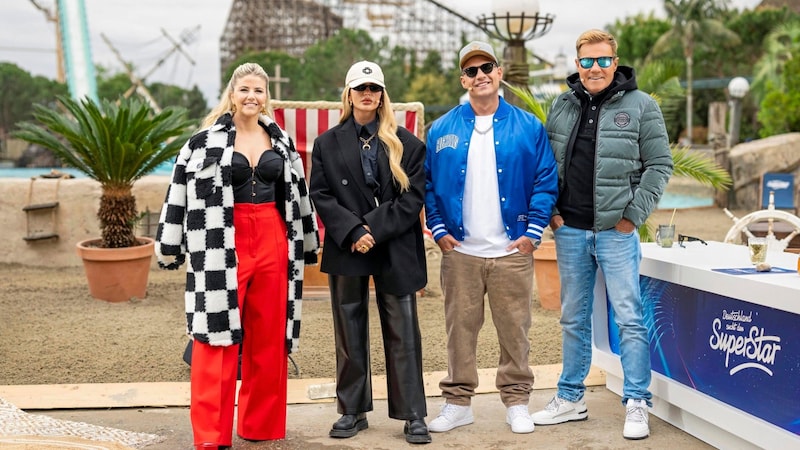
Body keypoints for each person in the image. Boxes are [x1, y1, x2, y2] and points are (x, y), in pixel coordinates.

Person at [155, 62, 320, 450]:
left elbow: (300, 195)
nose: (252, 97)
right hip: (219, 242)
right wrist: (170, 246)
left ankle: (260, 426)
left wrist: (309, 243)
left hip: (273, 238)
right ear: (232, 93)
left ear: (267, 98)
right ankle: (211, 437)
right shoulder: (202, 142)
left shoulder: (280, 142)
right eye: (245, 89)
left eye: (259, 91)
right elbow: (176, 193)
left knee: (269, 338)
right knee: (216, 338)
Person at [530, 29, 673, 440]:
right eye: (587, 61)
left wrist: (632, 216)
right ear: (577, 64)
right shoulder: (562, 105)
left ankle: (637, 402)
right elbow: (545, 164)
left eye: (602, 60)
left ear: (615, 62)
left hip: (616, 232)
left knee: (629, 318)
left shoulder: (642, 106)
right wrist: (554, 215)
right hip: (570, 231)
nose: (595, 68)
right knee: (573, 318)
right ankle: (571, 398)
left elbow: (660, 165)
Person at [424, 41, 559, 435]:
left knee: (515, 330)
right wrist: (440, 229)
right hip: (461, 252)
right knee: (459, 331)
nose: (480, 75)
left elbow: (545, 181)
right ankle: (457, 402)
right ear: (463, 79)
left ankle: (517, 401)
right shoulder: (442, 128)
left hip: (511, 250)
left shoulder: (528, 126)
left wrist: (533, 232)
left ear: (499, 73)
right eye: (471, 70)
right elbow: (428, 185)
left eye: (487, 67)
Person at [309, 60, 431, 445]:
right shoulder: (326, 143)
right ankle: (352, 409)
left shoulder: (409, 145)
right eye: (361, 88)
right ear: (348, 94)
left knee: (403, 332)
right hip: (348, 245)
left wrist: (371, 230)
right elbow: (321, 195)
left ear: (382, 95)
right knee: (349, 329)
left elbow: (412, 200)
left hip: (393, 245)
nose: (367, 94)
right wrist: (353, 231)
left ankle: (413, 414)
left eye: (374, 88)